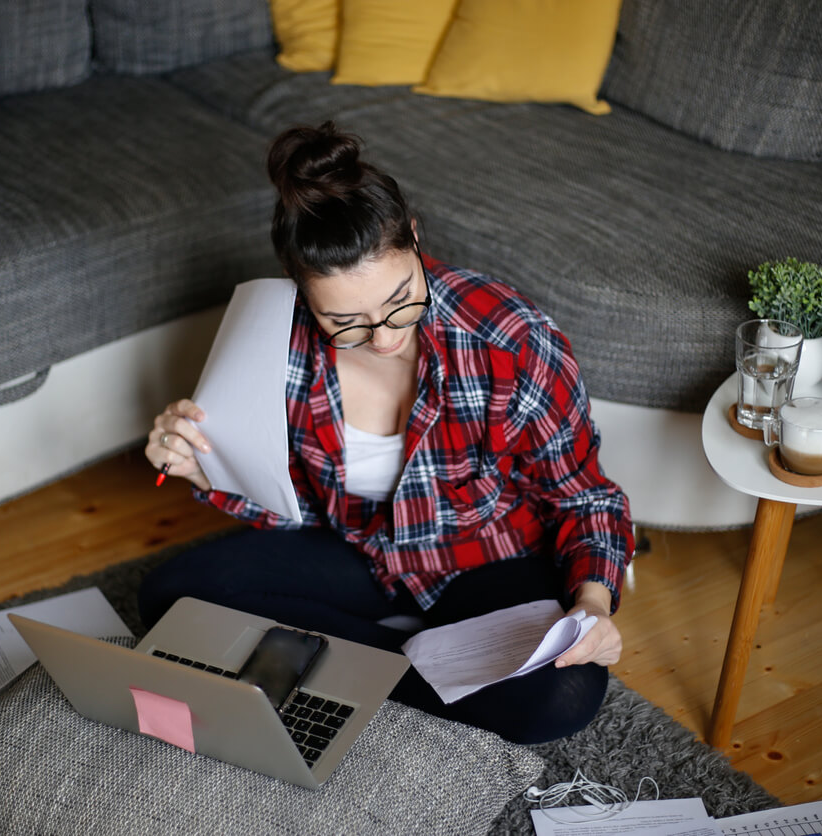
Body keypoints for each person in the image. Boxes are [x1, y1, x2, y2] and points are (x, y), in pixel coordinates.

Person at [140, 121, 632, 745]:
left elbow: (585, 498)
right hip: (358, 548)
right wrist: (205, 469)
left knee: (560, 698)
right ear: (302, 294)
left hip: (485, 556)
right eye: (344, 322)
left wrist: (591, 603)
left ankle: (333, 664)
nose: (384, 337)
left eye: (401, 299)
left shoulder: (511, 338)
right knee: (172, 597)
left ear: (417, 239)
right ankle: (422, 660)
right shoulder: (270, 344)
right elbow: (286, 509)